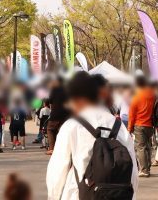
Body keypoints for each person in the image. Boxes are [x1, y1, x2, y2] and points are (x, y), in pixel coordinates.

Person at [46, 72, 138, 200]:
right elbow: (132, 170)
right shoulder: (119, 126)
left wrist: (53, 197)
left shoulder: (72, 126)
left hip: (79, 194)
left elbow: (57, 171)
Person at [127, 74, 155, 177]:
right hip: (150, 125)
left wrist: (129, 128)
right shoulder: (151, 94)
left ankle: (144, 170)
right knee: (148, 147)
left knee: (141, 148)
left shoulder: (136, 97)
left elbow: (131, 114)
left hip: (139, 125)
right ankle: (148, 167)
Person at [46, 75, 69, 155]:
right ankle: (63, 148)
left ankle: (52, 148)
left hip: (56, 113)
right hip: (66, 115)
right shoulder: (67, 89)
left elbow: (50, 101)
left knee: (50, 129)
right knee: (62, 130)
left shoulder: (54, 89)